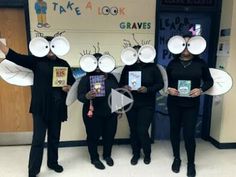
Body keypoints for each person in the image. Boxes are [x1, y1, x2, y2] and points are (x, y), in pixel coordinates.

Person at [0, 36, 75, 177]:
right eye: (48, 49)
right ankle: (33, 170)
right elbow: (13, 56)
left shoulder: (64, 63)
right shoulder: (36, 61)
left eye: (53, 48)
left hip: (57, 106)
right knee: (38, 139)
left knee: (54, 137)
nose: (51, 52)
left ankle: (53, 163)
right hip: (40, 108)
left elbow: (72, 83)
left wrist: (68, 87)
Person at [166, 35, 214, 177]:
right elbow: (164, 82)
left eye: (189, 43)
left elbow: (209, 81)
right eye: (183, 43)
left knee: (188, 134)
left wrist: (201, 89)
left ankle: (191, 163)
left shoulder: (201, 63)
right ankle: (176, 158)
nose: (186, 47)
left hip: (191, 104)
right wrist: (169, 89)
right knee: (174, 131)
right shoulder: (172, 64)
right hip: (174, 103)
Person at [119, 45, 164, 165]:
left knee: (142, 130)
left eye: (140, 53)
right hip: (131, 103)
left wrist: (148, 89)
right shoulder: (128, 67)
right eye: (135, 53)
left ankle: (147, 153)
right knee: (133, 130)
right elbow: (121, 84)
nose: (138, 56)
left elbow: (160, 84)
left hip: (147, 104)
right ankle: (136, 153)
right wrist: (125, 87)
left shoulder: (153, 67)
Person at [77, 53, 118, 170]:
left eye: (101, 61)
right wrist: (87, 96)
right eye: (96, 62)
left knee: (109, 135)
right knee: (93, 136)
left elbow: (117, 92)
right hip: (92, 113)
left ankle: (107, 155)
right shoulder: (86, 79)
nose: (99, 65)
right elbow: (80, 96)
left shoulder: (112, 78)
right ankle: (94, 158)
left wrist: (119, 108)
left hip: (110, 112)